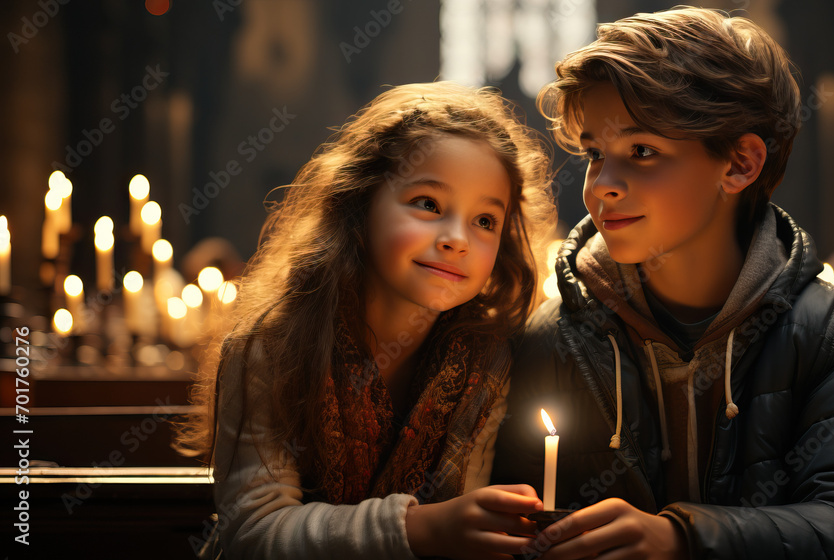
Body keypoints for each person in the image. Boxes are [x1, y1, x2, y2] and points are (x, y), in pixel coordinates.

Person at [491, 7, 834, 560]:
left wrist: (683, 539)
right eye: (596, 154)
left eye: (642, 151)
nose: (602, 186)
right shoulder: (555, 340)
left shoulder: (832, 336)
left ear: (739, 163)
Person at [178, 81, 557, 559]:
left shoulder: (485, 358)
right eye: (428, 205)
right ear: (358, 206)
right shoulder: (270, 347)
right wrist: (418, 528)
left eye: (485, 221)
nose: (457, 239)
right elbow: (254, 533)